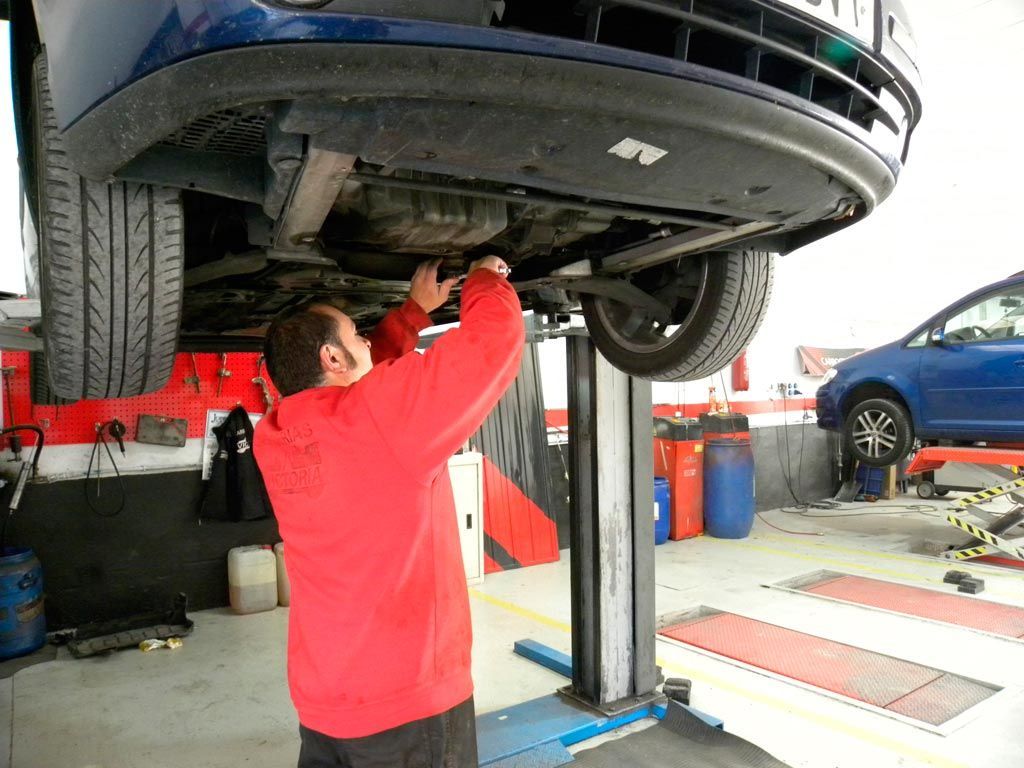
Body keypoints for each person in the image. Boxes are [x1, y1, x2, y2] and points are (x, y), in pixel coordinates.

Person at [254, 256, 524, 768]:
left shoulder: (276, 434)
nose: (365, 344)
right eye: (357, 336)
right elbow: (493, 345)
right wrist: (488, 278)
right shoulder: (379, 420)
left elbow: (368, 382)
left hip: (325, 702)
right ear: (332, 358)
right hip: (405, 705)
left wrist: (412, 316)